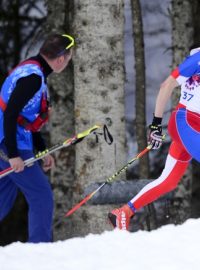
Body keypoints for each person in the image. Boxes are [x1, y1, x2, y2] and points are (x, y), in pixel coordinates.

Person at [108, 47, 200, 230]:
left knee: (168, 181)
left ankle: (123, 212)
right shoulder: (198, 59)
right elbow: (167, 85)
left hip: (194, 128)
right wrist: (156, 124)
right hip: (186, 122)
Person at [0, 33, 74, 242]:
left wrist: (42, 152)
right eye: (68, 60)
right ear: (60, 59)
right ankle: (39, 254)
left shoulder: (32, 68)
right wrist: (13, 154)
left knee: (3, 199)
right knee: (41, 196)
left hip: (12, 141)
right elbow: (11, 114)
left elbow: (27, 119)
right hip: (8, 145)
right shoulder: (32, 78)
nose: (67, 64)